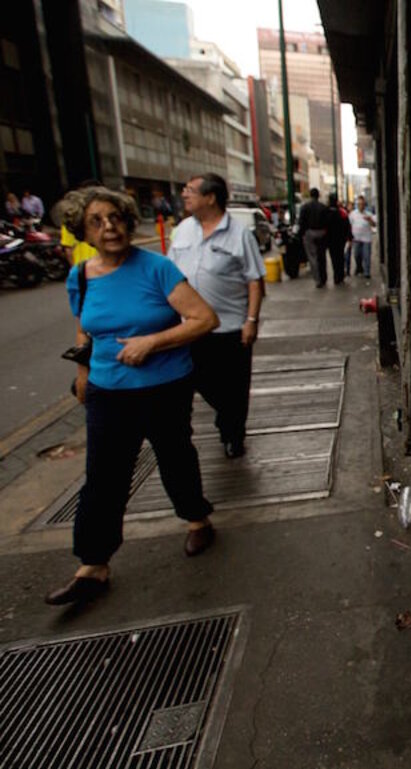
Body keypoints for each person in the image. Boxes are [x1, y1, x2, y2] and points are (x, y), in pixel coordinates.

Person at [47, 186, 219, 606]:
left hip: (165, 387)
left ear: (127, 221)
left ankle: (197, 519)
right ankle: (93, 564)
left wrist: (151, 342)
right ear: (83, 232)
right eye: (97, 221)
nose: (110, 227)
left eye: (116, 218)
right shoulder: (80, 277)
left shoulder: (156, 268)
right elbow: (84, 330)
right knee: (104, 476)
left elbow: (204, 319)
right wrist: (83, 374)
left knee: (175, 457)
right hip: (108, 391)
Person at [169, 173, 266, 459]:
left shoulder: (239, 234)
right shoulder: (183, 230)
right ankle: (226, 416)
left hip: (230, 327)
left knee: (234, 386)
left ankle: (233, 434)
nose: (184, 195)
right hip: (190, 327)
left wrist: (251, 321)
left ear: (210, 198)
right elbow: (168, 275)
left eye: (190, 190)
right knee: (199, 380)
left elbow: (254, 280)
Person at [297, 188, 328, 287]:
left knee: (312, 257)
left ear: (310, 195)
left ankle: (318, 279)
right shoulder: (323, 207)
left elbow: (301, 222)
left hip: (310, 234)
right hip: (322, 233)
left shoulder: (305, 207)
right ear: (318, 196)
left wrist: (301, 234)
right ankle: (323, 277)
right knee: (322, 256)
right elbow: (328, 222)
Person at [324, 192, 349, 285]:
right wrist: (348, 237)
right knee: (340, 257)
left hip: (330, 240)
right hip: (340, 239)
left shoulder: (326, 212)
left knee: (334, 258)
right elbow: (347, 225)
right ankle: (340, 276)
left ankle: (336, 276)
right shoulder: (342, 212)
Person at [348, 195, 375, 280]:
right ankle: (359, 268)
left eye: (362, 204)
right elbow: (349, 225)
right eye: (359, 204)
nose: (361, 206)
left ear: (364, 204)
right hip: (356, 238)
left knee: (366, 256)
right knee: (356, 255)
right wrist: (349, 238)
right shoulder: (353, 214)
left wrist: (370, 220)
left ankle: (367, 272)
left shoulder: (369, 214)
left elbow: (374, 225)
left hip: (366, 239)